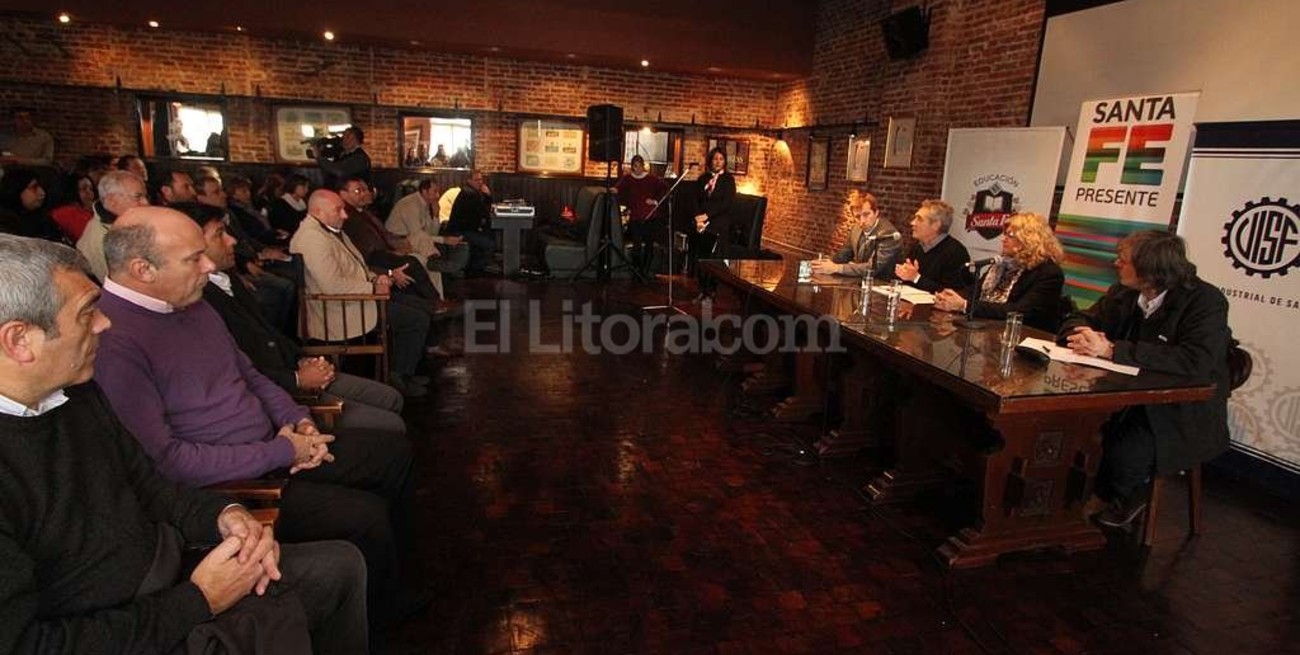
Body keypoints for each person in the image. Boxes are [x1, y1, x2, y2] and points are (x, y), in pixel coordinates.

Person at [0, 234, 369, 654]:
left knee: (340, 567)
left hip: (170, 566)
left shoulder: (76, 394)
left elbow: (150, 486)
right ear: (19, 340)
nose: (104, 323)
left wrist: (226, 515)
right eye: (87, 313)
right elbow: (31, 645)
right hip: (134, 623)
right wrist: (200, 599)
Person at [93, 206, 420, 622]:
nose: (209, 265)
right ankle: (384, 613)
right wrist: (284, 451)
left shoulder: (191, 303)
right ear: (143, 270)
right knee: (363, 515)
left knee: (393, 453)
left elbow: (251, 376)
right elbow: (168, 463)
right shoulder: (114, 340)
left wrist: (299, 420)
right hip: (234, 482)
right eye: (194, 258)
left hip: (276, 445)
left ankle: (396, 579)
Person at [185, 201, 408, 437]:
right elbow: (240, 374)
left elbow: (269, 332)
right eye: (220, 234)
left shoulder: (227, 279)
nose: (232, 240)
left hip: (290, 370)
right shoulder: (198, 300)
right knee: (393, 425)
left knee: (391, 398)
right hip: (276, 394)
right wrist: (297, 379)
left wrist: (302, 359)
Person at [1058, 230, 1232, 528]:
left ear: (1151, 269)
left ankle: (1118, 496)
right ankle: (1066, 495)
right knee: (1069, 426)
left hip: (1177, 409)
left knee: (1124, 451)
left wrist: (1114, 350)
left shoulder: (1205, 301)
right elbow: (1084, 317)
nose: (1115, 263)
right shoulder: (1124, 292)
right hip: (1123, 395)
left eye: (1123, 260)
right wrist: (1082, 333)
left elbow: (1195, 360)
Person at [292, 190, 434, 397]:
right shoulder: (312, 238)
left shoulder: (330, 231)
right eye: (338, 210)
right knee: (415, 319)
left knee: (421, 307)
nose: (345, 215)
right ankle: (399, 376)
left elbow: (359, 267)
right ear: (318, 211)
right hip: (339, 310)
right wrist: (373, 288)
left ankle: (406, 371)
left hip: (357, 299)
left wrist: (377, 279)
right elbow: (332, 286)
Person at [932, 212, 1065, 331]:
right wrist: (951, 297)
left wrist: (965, 305)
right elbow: (975, 291)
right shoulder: (1002, 264)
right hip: (987, 328)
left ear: (1030, 239)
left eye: (1010, 235)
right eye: (1005, 234)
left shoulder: (1048, 273)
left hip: (1021, 335)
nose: (1003, 239)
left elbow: (1020, 311)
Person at [387, 178, 470, 280]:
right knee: (424, 237)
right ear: (424, 191)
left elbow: (431, 232)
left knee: (448, 244)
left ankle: (440, 264)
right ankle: (436, 262)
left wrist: (436, 215)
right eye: (435, 191)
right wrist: (444, 240)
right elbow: (417, 234)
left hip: (415, 239)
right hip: (396, 239)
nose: (438, 195)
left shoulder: (425, 204)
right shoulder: (410, 204)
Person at [77, 170, 150, 281]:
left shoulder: (130, 222)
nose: (146, 203)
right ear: (112, 200)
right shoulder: (99, 239)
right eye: (137, 197)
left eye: (145, 196)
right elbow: (120, 284)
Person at [812, 190, 901, 279]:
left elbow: (872, 268)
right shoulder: (856, 229)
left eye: (866, 214)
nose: (862, 221)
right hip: (860, 281)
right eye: (858, 217)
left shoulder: (889, 234)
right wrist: (823, 264)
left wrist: (837, 268)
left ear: (876, 213)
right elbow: (843, 256)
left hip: (883, 283)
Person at [893, 199, 975, 293]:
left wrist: (916, 278)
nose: (912, 223)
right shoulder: (917, 247)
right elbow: (908, 281)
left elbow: (951, 294)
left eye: (919, 219)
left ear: (936, 225)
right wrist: (902, 273)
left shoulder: (956, 253)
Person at [688, 147, 736, 302]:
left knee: (713, 259)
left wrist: (707, 215)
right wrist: (698, 217)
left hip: (718, 222)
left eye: (721, 159)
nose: (718, 162)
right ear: (710, 161)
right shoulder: (703, 178)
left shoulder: (728, 180)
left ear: (725, 161)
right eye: (715, 159)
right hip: (701, 222)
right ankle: (703, 289)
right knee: (701, 257)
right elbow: (695, 199)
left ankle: (712, 291)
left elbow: (727, 203)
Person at [611, 155, 668, 274]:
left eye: (639, 166)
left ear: (643, 166)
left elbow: (665, 188)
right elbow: (618, 188)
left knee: (649, 245)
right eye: (635, 166)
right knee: (636, 246)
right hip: (635, 217)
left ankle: (646, 271)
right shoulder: (628, 179)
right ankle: (637, 270)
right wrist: (612, 190)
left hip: (650, 217)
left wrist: (655, 201)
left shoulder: (652, 179)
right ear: (632, 167)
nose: (637, 169)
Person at [446, 168, 497, 275]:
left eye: (481, 179)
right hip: (459, 232)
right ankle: (475, 271)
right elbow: (484, 212)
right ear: (469, 181)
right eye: (477, 180)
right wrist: (488, 196)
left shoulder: (470, 192)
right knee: (489, 243)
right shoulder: (470, 194)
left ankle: (475, 268)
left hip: (463, 229)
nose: (480, 182)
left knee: (487, 236)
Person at [0, 168, 67, 245]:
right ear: (17, 189)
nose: (42, 193)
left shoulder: (43, 218)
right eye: (34, 188)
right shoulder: (4, 223)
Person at [49, 172, 97, 241]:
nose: (89, 192)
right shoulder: (65, 212)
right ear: (74, 191)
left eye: (91, 189)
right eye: (84, 188)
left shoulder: (96, 209)